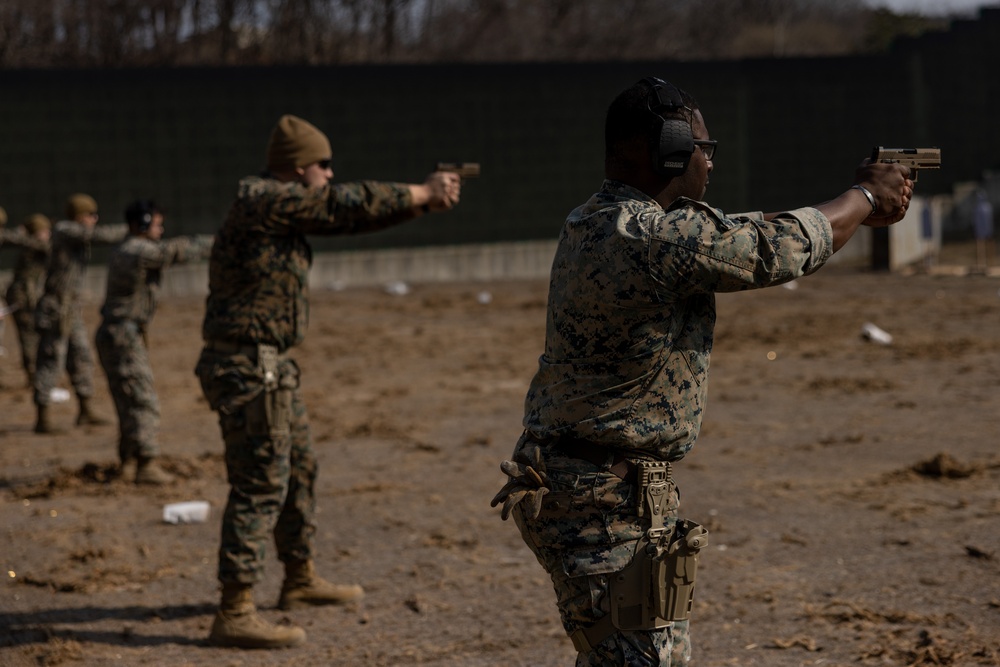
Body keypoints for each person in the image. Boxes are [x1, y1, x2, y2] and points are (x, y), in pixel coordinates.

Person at [490, 77, 913, 667]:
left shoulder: (598, 220)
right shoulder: (651, 237)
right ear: (662, 150)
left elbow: (733, 232)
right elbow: (771, 249)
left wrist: (851, 209)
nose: (708, 164)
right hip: (604, 501)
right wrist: (864, 198)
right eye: (702, 149)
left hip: (596, 487)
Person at [195, 114, 462, 649]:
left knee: (298, 470)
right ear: (297, 168)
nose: (330, 172)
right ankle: (235, 608)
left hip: (270, 366)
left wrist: (420, 204)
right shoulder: (261, 199)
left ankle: (298, 577)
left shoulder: (284, 212)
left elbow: (347, 219)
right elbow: (341, 205)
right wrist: (417, 189)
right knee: (260, 481)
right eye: (323, 163)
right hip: (248, 368)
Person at [95, 200, 213, 485]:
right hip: (124, 334)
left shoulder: (127, 248)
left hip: (118, 333)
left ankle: (129, 460)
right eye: (157, 224)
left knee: (127, 400)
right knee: (142, 400)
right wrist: (225, 240)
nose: (161, 230)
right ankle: (146, 463)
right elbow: (176, 252)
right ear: (143, 224)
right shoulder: (137, 249)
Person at [33, 194, 127, 433]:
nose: (95, 220)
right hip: (57, 307)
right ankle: (43, 416)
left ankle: (85, 409)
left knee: (81, 357)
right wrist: (134, 229)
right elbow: (99, 236)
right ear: (79, 216)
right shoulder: (66, 229)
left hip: (71, 308)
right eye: (91, 215)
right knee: (52, 358)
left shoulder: (75, 234)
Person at [3, 213, 52, 387]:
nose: (48, 233)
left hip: (26, 295)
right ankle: (33, 374)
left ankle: (35, 373)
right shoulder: (33, 245)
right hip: (22, 297)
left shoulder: (31, 245)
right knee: (29, 336)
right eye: (44, 230)